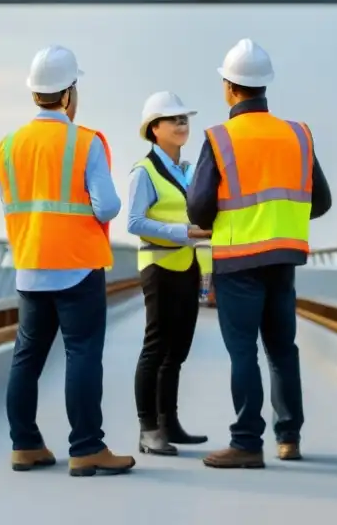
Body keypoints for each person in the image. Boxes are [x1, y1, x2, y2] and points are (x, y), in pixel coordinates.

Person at [186, 38, 332, 469]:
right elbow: (320, 201)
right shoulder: (298, 134)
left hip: (237, 261)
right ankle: (289, 438)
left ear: (230, 88)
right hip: (283, 258)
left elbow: (197, 207)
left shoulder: (220, 138)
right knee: (282, 349)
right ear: (265, 87)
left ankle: (247, 442)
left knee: (243, 352)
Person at [0, 45, 136, 478]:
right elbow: (107, 207)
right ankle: (87, 447)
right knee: (82, 353)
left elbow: (12, 203)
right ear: (69, 93)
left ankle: (25, 445)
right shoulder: (85, 141)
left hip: (30, 266)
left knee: (27, 357)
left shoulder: (6, 147)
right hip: (76, 266)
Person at [128, 91, 214, 456]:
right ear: (154, 128)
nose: (182, 125)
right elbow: (134, 221)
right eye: (173, 119)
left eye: (184, 119)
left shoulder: (192, 169)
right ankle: (149, 430)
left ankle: (169, 423)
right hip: (159, 267)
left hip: (188, 265)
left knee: (178, 350)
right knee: (155, 348)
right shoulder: (143, 171)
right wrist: (184, 233)